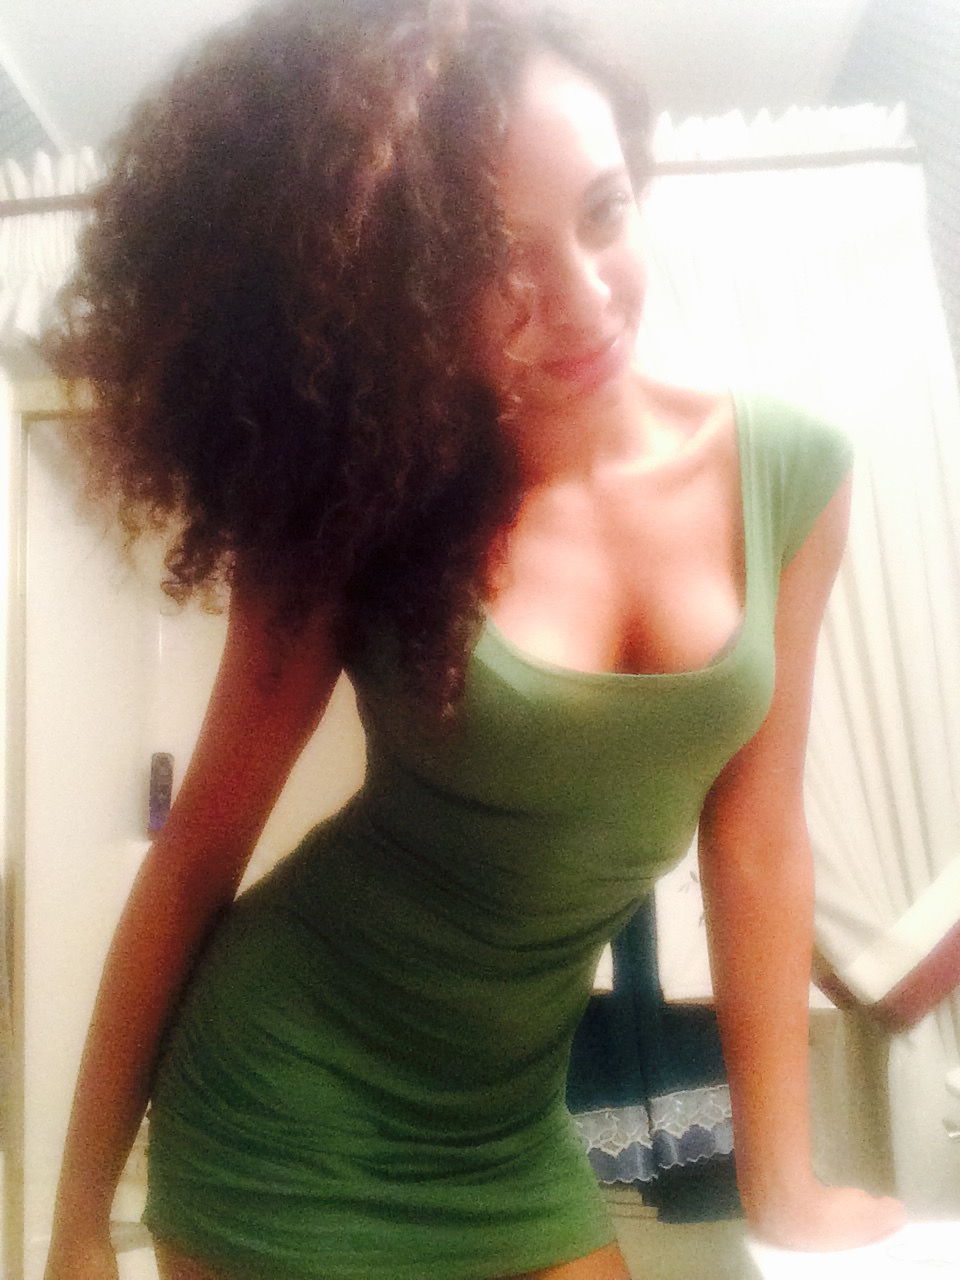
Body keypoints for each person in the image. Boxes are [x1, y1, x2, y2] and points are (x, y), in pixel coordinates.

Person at [43, 1, 907, 1277]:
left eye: (604, 212)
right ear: (391, 293)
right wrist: (75, 1219)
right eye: (495, 262)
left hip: (503, 1127)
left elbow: (758, 839)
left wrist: (783, 1180)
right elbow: (197, 851)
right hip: (288, 1102)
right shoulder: (358, 502)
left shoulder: (790, 473)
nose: (582, 300)